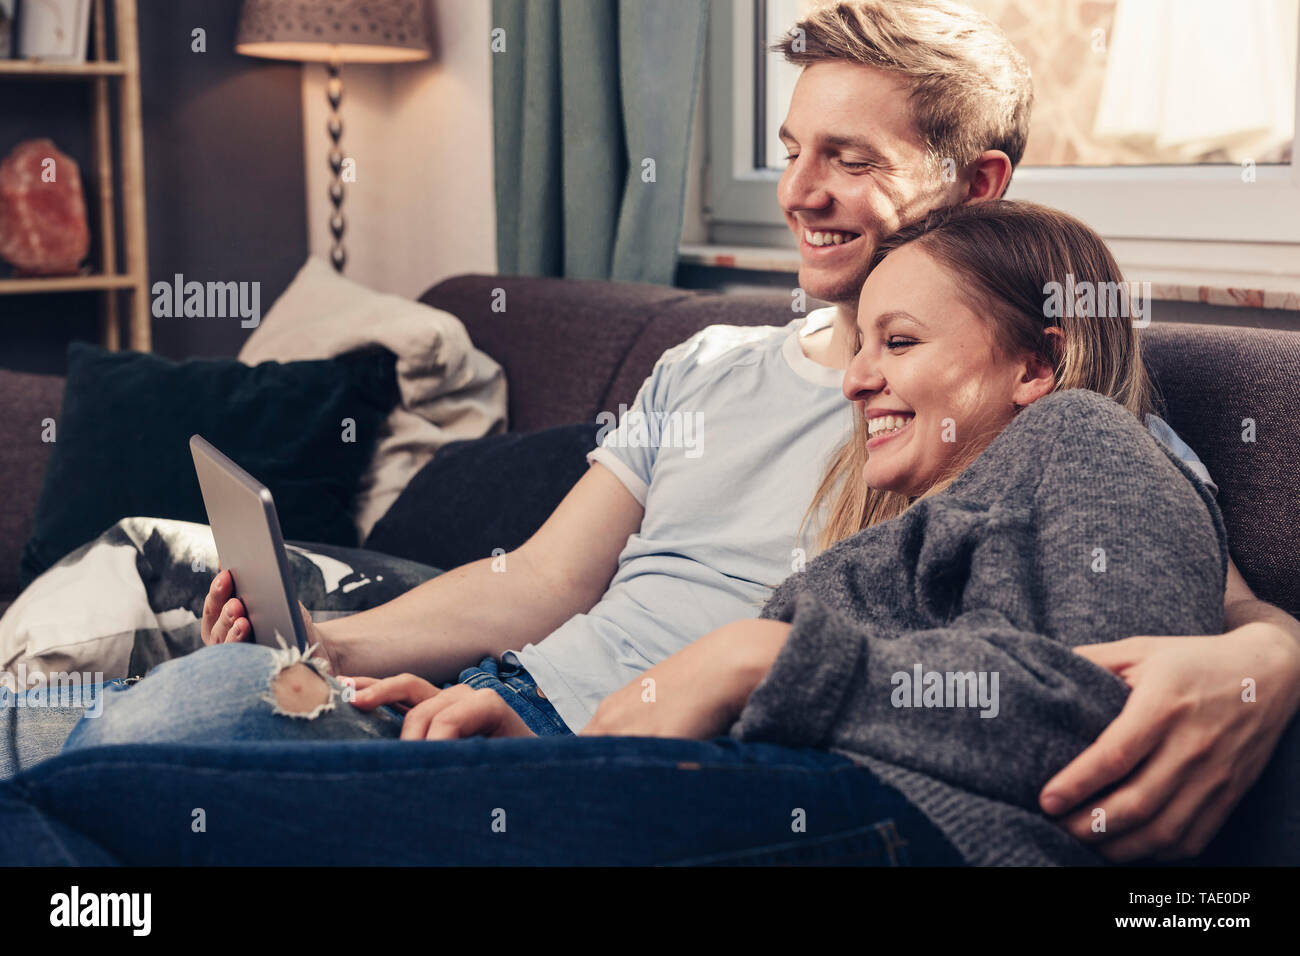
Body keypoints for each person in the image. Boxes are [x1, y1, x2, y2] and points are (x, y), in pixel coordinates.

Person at [4, 0, 1299, 864]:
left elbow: (1204, 594)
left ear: (976, 186)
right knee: (186, 702)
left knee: (120, 757)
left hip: (679, 768)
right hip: (496, 711)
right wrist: (329, 642)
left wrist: (1271, 671)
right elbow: (542, 582)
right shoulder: (712, 360)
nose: (800, 193)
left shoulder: (1013, 398)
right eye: (791, 150)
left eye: (848, 158)